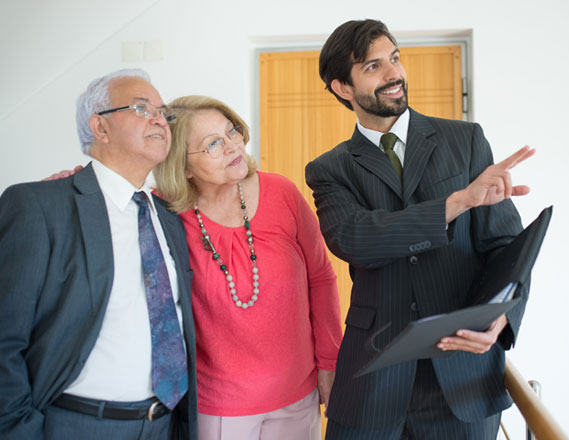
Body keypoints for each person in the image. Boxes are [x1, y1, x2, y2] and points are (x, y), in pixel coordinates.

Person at [305, 19, 536, 439]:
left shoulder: (464, 141)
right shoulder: (329, 170)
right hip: (372, 382)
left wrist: (502, 317)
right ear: (343, 87)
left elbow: (506, 247)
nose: (393, 74)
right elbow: (355, 238)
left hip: (462, 380)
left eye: (394, 58)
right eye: (373, 66)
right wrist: (457, 202)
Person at [0, 69, 197, 439]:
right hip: (75, 424)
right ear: (100, 127)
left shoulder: (169, 219)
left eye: (163, 112)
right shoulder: (40, 206)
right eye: (141, 108)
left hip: (166, 425)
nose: (159, 119)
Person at [153, 95, 342, 440]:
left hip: (298, 393)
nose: (231, 146)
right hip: (220, 405)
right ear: (184, 167)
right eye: (213, 143)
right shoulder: (165, 215)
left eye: (232, 132)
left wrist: (330, 362)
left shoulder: (281, 192)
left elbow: (321, 277)